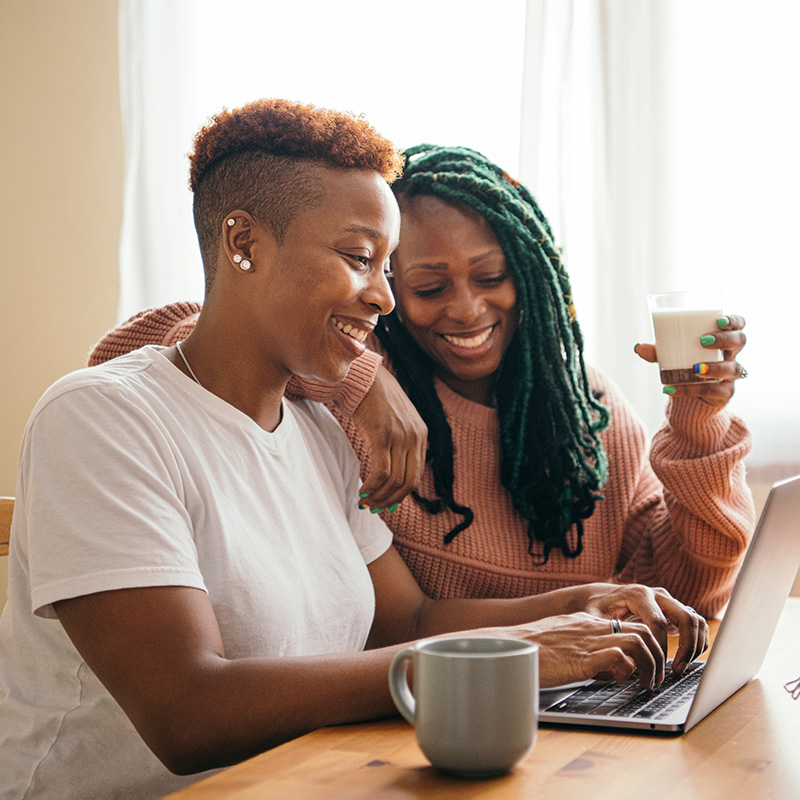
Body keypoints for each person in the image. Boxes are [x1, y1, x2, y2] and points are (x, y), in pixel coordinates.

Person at [0, 100, 707, 800]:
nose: (386, 299)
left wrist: (583, 602)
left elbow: (408, 621)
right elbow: (190, 713)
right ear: (242, 242)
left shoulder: (320, 431)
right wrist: (519, 654)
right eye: (361, 259)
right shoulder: (99, 419)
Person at [91, 145, 755, 622]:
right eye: (429, 287)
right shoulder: (344, 376)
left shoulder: (588, 414)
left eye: (491, 277)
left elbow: (686, 596)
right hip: (405, 710)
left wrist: (699, 423)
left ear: (533, 278)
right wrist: (361, 377)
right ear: (388, 288)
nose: (466, 310)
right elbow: (138, 350)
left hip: (567, 709)